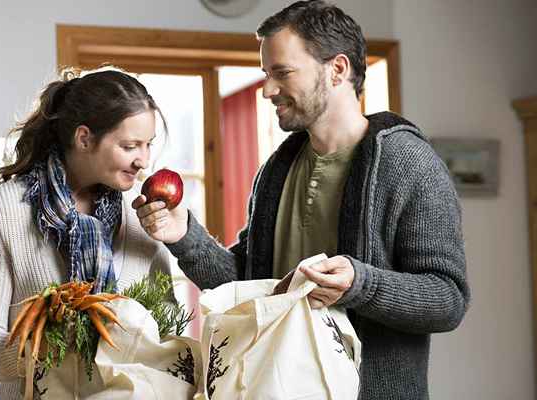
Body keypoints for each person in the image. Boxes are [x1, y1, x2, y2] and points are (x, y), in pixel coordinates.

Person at [135, 1, 471, 399]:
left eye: (282, 73)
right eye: (266, 74)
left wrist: (360, 283)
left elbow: (447, 298)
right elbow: (250, 284)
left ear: (338, 69)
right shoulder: (277, 169)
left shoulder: (408, 164)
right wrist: (184, 236)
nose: (267, 90)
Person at [0, 67, 174, 399]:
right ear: (85, 138)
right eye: (130, 146)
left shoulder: (139, 213)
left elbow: (170, 325)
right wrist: (32, 347)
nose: (143, 161)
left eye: (148, 145)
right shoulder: (8, 209)